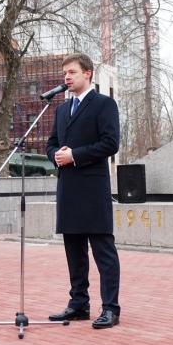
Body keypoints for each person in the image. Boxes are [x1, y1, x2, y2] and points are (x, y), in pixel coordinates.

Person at [46, 53, 121, 329]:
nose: (67, 77)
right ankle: (79, 304)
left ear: (87, 73)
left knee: (104, 252)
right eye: (65, 72)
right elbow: (51, 143)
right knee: (74, 251)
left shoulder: (104, 104)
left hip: (92, 187)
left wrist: (75, 155)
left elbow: (110, 143)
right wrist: (56, 155)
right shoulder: (62, 110)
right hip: (68, 188)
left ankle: (111, 308)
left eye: (72, 72)